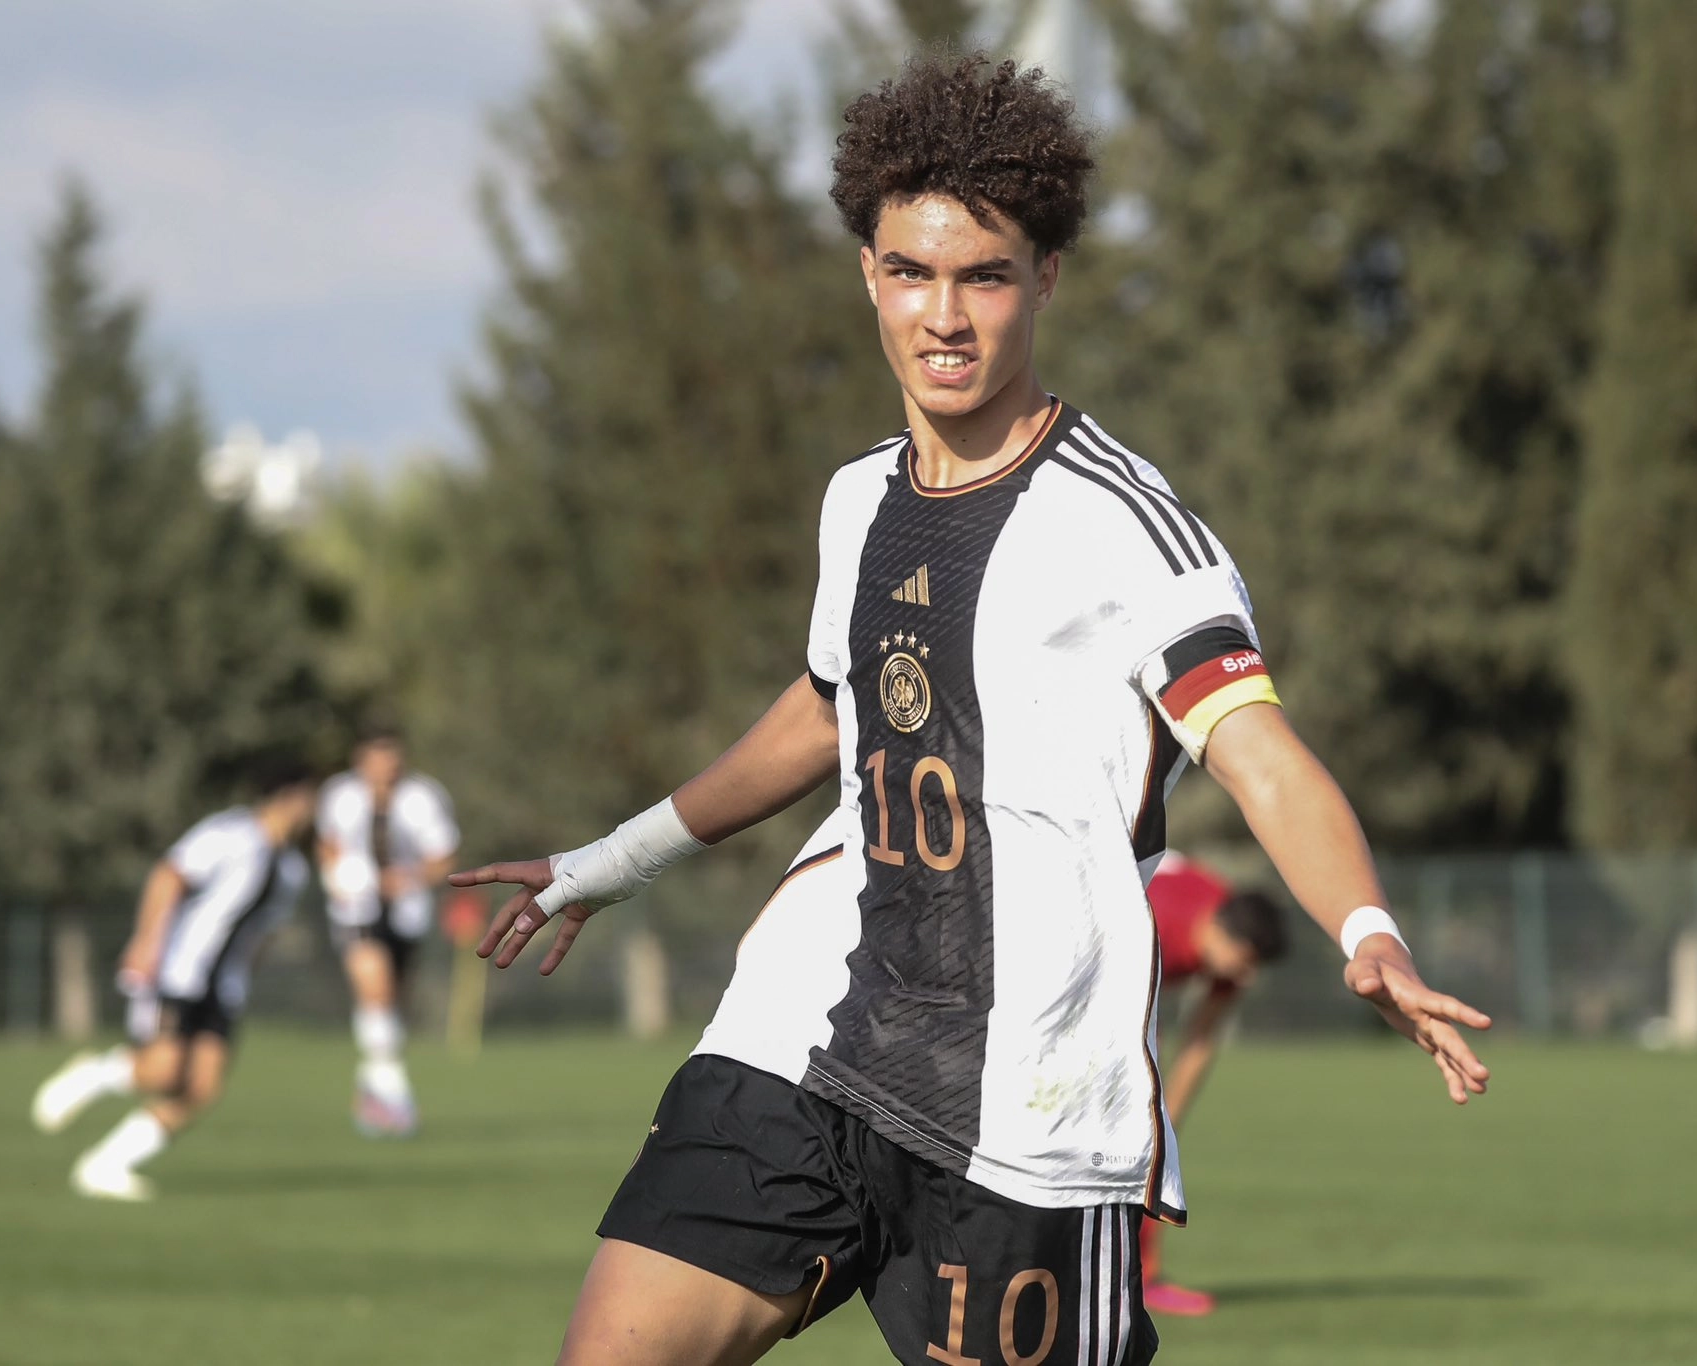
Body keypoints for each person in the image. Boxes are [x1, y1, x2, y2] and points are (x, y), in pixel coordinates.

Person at [450, 51, 1491, 1366]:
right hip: (803, 1034)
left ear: (1045, 277)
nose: (942, 316)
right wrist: (616, 858)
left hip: (1028, 1107)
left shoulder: (1128, 528)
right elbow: (824, 712)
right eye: (910, 272)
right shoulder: (857, 499)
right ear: (867, 274)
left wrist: (1369, 931)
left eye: (983, 276)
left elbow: (1260, 755)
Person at [30, 759, 316, 1201]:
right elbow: (169, 875)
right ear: (290, 796)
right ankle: (96, 1073)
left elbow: (263, 936)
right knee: (163, 1070)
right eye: (311, 797)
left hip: (224, 987)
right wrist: (147, 941)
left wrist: (243, 981)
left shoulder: (292, 870)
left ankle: (105, 1164)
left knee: (202, 1087)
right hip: (181, 970)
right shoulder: (232, 834)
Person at [1137, 853, 1290, 1317]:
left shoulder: (1233, 934)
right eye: (1245, 960)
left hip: (1141, 994)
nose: (1247, 976)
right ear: (1220, 933)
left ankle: (1142, 1278)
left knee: (1152, 1147)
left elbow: (1202, 1038)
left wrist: (1167, 1122)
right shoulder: (1153, 919)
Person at [316, 727, 459, 1136]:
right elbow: (327, 844)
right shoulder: (340, 795)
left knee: (392, 1005)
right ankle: (393, 1090)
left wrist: (411, 877)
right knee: (373, 987)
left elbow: (443, 856)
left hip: (407, 911)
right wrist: (337, 875)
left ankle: (371, 1089)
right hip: (356, 907)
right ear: (361, 762)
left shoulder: (423, 797)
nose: (385, 773)